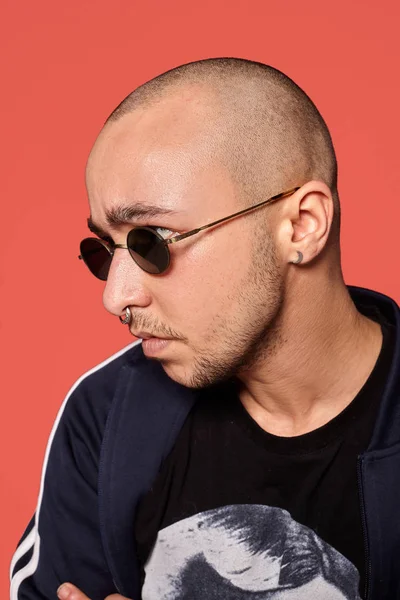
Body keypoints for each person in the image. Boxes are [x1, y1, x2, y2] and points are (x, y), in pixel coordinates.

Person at [10, 57, 400, 600]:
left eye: (153, 242)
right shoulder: (107, 417)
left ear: (302, 226)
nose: (115, 296)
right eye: (104, 249)